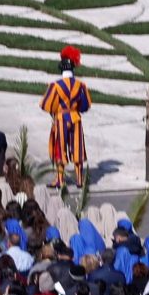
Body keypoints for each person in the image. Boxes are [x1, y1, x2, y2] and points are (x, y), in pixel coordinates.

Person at [42, 45, 91, 191]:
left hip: (61, 118)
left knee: (60, 148)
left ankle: (60, 179)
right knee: (77, 147)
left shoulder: (56, 85)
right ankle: (79, 179)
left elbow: (47, 104)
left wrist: (56, 111)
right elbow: (85, 105)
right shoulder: (81, 85)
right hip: (75, 118)